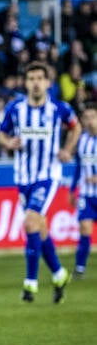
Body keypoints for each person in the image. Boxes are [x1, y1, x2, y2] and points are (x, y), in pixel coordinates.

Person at [0, 61, 81, 303]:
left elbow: (75, 128)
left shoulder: (59, 108)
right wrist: (8, 143)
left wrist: (67, 149)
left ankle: (30, 283)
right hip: (23, 177)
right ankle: (59, 273)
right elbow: (2, 133)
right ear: (26, 83)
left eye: (39, 78)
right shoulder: (15, 109)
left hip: (47, 176)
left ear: (47, 83)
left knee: (31, 223)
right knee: (40, 228)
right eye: (31, 78)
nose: (35, 82)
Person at [69, 104, 97, 279]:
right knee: (84, 228)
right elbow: (78, 167)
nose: (89, 120)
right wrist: (73, 189)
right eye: (86, 117)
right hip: (86, 195)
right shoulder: (82, 141)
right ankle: (80, 269)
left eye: (93, 116)